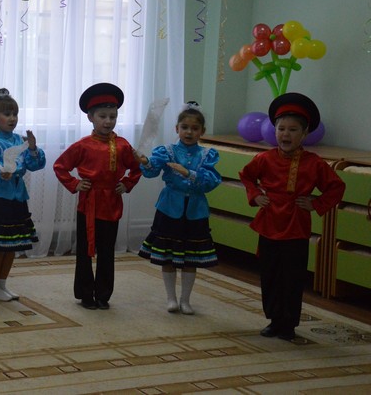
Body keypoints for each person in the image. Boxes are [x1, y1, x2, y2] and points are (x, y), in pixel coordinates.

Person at [239, 92, 345, 341]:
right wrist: (256, 195)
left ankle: (288, 324)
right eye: (281, 129)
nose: (286, 134)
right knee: (270, 274)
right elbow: (246, 176)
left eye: (293, 130)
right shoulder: (264, 158)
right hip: (269, 223)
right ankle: (274, 320)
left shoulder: (315, 163)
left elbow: (336, 187)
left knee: (292, 276)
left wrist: (316, 203)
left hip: (296, 225)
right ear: (274, 130)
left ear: (305, 133)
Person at [53, 83, 142, 310]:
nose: (108, 121)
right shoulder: (82, 146)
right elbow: (60, 166)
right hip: (89, 204)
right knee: (85, 251)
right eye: (102, 116)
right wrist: (75, 183)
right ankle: (85, 294)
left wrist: (127, 183)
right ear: (90, 117)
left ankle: (103, 294)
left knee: (107, 251)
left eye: (113, 116)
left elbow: (137, 167)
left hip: (111, 203)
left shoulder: (123, 146)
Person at [134, 101, 221, 315]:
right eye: (185, 127)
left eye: (194, 128)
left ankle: (186, 300)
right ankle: (171, 298)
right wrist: (145, 161)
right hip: (169, 208)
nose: (189, 132)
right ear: (177, 129)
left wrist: (188, 173)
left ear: (202, 131)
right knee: (168, 255)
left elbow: (211, 182)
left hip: (195, 211)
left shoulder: (207, 154)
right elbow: (152, 171)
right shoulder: (167, 151)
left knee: (191, 256)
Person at [0, 88, 46, 301]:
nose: (12, 118)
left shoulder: (19, 141)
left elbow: (35, 165)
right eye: (7, 114)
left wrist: (32, 148)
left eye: (15, 114)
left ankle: (3, 285)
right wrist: (0, 174)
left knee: (12, 246)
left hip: (17, 198)